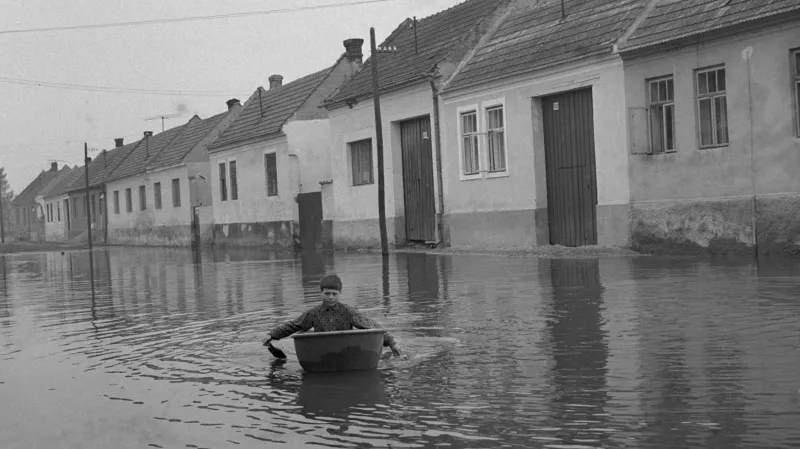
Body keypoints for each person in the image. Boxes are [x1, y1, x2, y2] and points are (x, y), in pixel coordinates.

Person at [262, 273, 402, 356]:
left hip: (347, 351)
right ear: (321, 293)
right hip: (323, 352)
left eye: (334, 294)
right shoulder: (314, 313)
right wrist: (272, 334)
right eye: (327, 293)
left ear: (340, 294)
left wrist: (391, 342)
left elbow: (371, 326)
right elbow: (294, 325)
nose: (330, 297)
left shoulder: (348, 311)